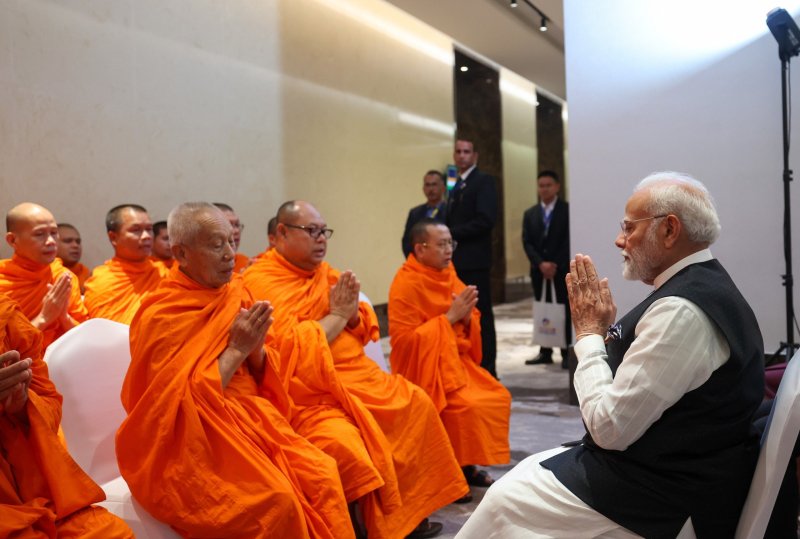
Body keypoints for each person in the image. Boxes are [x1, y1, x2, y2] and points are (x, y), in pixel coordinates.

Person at [457, 172, 765, 539]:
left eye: (629, 227)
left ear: (669, 230)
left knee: (505, 500)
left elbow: (608, 429)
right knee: (526, 473)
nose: (620, 240)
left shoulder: (682, 313)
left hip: (667, 495)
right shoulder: (702, 283)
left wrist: (589, 335)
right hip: (666, 467)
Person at [116, 202, 354, 539]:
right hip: (195, 441)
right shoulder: (163, 314)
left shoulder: (235, 292)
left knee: (322, 474)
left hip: (252, 415)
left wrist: (254, 348)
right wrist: (238, 348)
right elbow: (174, 409)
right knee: (278, 502)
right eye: (216, 245)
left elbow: (261, 371)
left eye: (231, 241)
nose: (230, 254)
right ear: (181, 254)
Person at [243, 200, 470, 539]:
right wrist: (337, 316)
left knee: (416, 403)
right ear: (281, 233)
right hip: (310, 392)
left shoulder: (326, 274)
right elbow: (287, 348)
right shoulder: (261, 282)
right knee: (346, 444)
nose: (321, 239)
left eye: (324, 232)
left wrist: (350, 314)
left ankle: (408, 513)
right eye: (312, 231)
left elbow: (363, 327)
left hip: (358, 375)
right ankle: (367, 523)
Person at [389, 219, 511, 495]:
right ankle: (449, 474)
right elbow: (405, 342)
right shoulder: (406, 283)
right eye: (442, 244)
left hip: (455, 362)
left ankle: (465, 465)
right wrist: (451, 318)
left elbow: (469, 319)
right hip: (424, 368)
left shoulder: (448, 273)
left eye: (450, 243)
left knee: (495, 396)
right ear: (420, 249)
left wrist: (467, 318)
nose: (449, 250)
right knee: (462, 406)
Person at [0, 292, 133, 537]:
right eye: (216, 248)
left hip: (35, 484)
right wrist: (43, 318)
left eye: (227, 248)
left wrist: (22, 407)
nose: (226, 254)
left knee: (111, 533)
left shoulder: (5, 314)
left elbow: (49, 403)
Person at [0, 203, 87, 348]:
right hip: (20, 369)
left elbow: (87, 338)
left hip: (62, 367)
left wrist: (64, 318)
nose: (51, 241)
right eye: (39, 234)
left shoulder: (64, 277)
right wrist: (43, 318)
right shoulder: (3, 280)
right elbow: (5, 351)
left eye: (54, 233)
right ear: (12, 240)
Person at [446, 138, 498, 377]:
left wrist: (451, 233)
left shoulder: (483, 182)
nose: (462, 156)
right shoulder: (454, 184)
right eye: (458, 152)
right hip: (456, 261)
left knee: (482, 314)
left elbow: (486, 220)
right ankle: (468, 364)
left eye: (467, 151)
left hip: (475, 260)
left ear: (474, 156)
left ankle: (487, 367)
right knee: (462, 312)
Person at [83, 204, 168, 324]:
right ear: (113, 237)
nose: (146, 236)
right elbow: (103, 331)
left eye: (149, 229)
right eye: (136, 230)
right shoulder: (102, 281)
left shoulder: (164, 274)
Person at [522, 170, 571, 367]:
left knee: (563, 309)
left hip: (560, 270)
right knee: (543, 309)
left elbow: (568, 240)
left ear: (557, 187)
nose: (544, 189)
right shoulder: (531, 214)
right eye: (541, 185)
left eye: (548, 185)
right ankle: (545, 350)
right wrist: (540, 263)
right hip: (539, 270)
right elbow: (527, 242)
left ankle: (566, 351)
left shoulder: (567, 210)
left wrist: (555, 264)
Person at [401, 170, 448, 257]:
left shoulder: (450, 211)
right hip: (420, 262)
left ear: (443, 188)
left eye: (434, 185)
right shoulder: (415, 213)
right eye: (427, 185)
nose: (431, 189)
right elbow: (407, 240)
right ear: (423, 189)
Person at [213, 203, 250, 273]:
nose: (236, 231)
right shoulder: (204, 267)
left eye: (237, 225)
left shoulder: (244, 262)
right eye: (229, 225)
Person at [56, 222, 92, 294]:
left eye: (78, 242)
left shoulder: (88, 275)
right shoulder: (45, 274)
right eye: (68, 241)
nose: (75, 245)